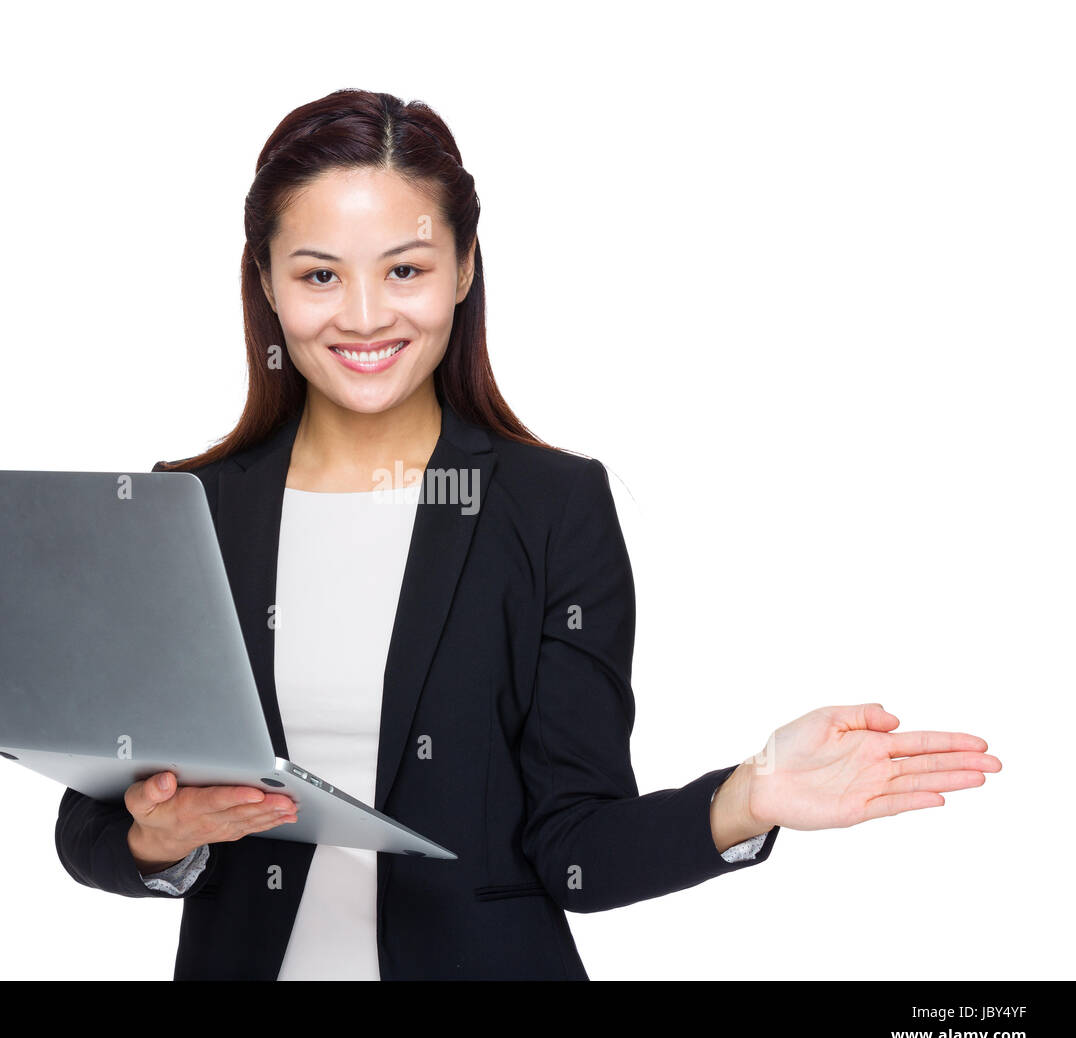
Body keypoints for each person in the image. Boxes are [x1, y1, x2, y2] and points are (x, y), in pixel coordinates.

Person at [54, 89, 1001, 980]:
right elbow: (90, 823)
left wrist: (745, 799)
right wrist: (155, 841)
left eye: (406, 269)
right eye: (318, 275)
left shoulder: (552, 507)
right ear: (266, 280)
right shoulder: (187, 509)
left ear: (464, 268)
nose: (365, 315)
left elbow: (575, 847)